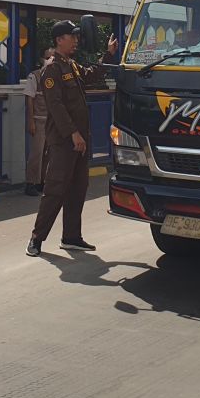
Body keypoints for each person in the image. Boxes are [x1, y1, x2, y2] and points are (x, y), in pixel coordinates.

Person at [27, 21, 118, 256]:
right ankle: (36, 239)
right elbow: (55, 106)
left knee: (77, 189)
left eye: (77, 37)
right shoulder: (52, 68)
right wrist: (73, 133)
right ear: (59, 40)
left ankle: (71, 237)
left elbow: (91, 76)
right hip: (64, 140)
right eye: (72, 37)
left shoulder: (71, 65)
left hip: (80, 140)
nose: (76, 41)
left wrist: (108, 55)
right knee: (55, 189)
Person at [22, 48, 56, 196]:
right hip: (39, 120)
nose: (51, 60)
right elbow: (29, 98)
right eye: (48, 57)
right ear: (42, 59)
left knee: (48, 154)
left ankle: (42, 182)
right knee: (36, 153)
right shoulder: (35, 76)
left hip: (52, 121)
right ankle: (30, 183)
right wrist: (30, 121)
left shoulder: (57, 76)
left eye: (53, 57)